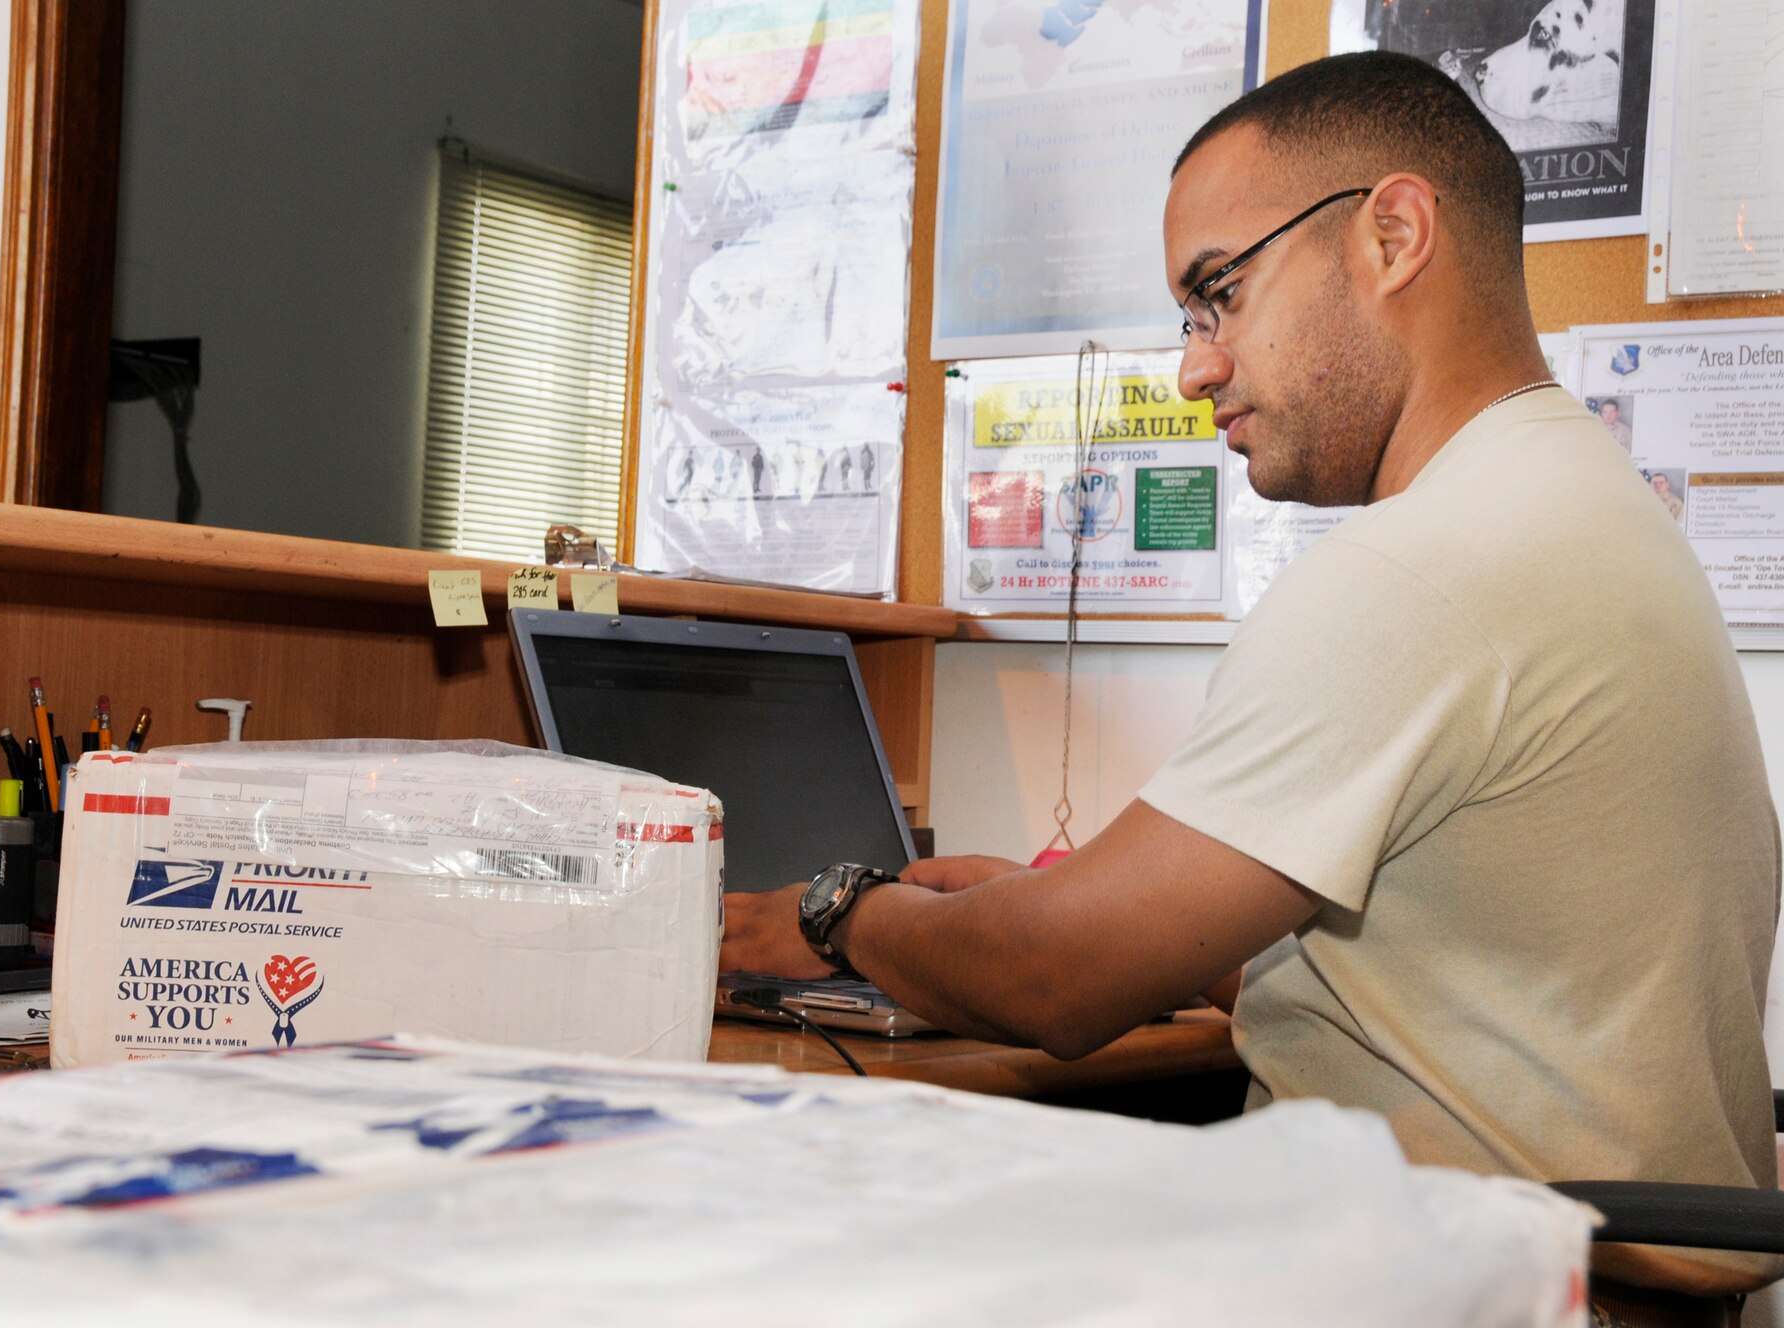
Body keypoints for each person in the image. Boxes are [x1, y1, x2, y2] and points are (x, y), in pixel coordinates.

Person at [722, 51, 1780, 1315]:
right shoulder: (1585, 504)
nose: (1192, 367)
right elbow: (1476, 994)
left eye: (1216, 293)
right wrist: (1131, 932)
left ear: (1392, 234)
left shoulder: (1424, 569)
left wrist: (834, 913)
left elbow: (1055, 984)